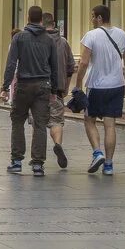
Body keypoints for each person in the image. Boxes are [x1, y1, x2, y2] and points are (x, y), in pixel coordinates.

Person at [72, 4, 125, 176]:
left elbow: (83, 62)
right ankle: (109, 165)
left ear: (99, 18)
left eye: (92, 16)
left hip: (96, 86)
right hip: (116, 85)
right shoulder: (122, 34)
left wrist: (78, 83)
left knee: (89, 120)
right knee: (110, 124)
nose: (91, 20)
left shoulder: (91, 35)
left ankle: (97, 152)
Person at [2, 6, 59, 177]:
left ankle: (17, 161)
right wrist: (54, 89)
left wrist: (5, 87)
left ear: (28, 17)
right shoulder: (49, 40)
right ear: (41, 19)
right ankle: (38, 165)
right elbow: (54, 67)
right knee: (40, 124)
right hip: (43, 85)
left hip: (24, 86)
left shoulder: (19, 38)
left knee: (18, 121)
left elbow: (11, 63)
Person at [43, 12, 75, 168]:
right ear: (54, 24)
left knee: (38, 122)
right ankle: (58, 144)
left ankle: (38, 158)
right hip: (58, 90)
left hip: (39, 88)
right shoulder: (63, 42)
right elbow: (71, 67)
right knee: (56, 121)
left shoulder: (37, 41)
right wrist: (66, 86)